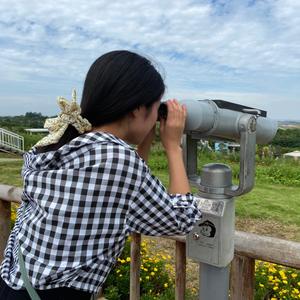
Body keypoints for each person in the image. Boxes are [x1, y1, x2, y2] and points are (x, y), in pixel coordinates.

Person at [0, 50, 201, 300]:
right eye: (154, 108)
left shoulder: (58, 144)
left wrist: (144, 144)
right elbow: (181, 218)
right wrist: (173, 146)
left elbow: (120, 195)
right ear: (138, 109)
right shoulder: (117, 160)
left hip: (14, 286)